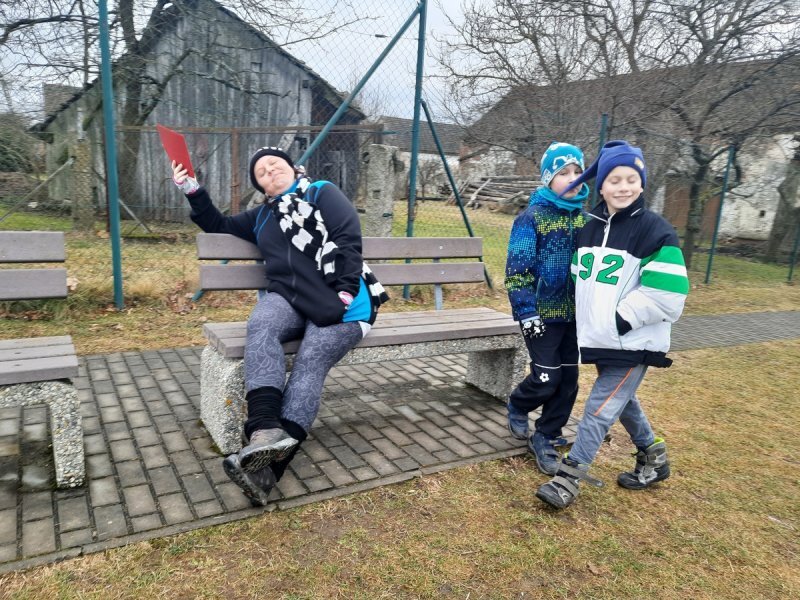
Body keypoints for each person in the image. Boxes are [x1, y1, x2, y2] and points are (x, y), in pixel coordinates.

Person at [171, 147, 388, 506]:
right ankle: (264, 429)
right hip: (291, 299)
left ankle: (267, 473)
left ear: (291, 167)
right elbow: (218, 224)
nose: (270, 172)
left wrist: (346, 291)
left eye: (274, 164)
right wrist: (192, 189)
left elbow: (347, 239)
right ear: (261, 187)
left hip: (343, 299)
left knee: (310, 361)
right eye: (261, 172)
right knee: (262, 323)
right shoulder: (261, 217)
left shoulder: (320, 192)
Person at [535, 140, 689, 509]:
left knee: (599, 408)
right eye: (615, 179)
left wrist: (620, 321)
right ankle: (654, 456)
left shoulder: (656, 230)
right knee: (622, 400)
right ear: (601, 186)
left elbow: (667, 294)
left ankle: (568, 478)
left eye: (632, 179)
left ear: (642, 184)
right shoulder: (588, 228)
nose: (624, 187)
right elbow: (581, 279)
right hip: (602, 339)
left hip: (632, 342)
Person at [504, 142, 589, 475]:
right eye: (563, 173)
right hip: (540, 315)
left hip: (576, 316)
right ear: (548, 179)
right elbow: (517, 272)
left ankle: (547, 435)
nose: (572, 178)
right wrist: (526, 311)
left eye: (577, 172)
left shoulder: (586, 219)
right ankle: (518, 402)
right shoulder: (531, 218)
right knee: (546, 377)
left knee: (568, 380)